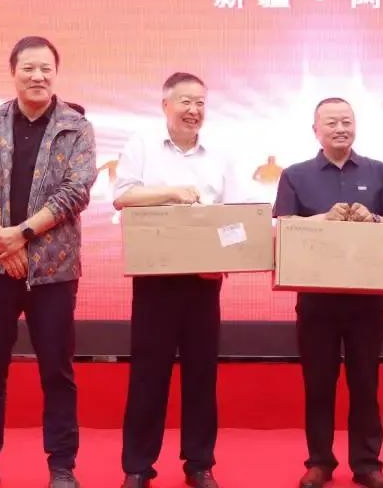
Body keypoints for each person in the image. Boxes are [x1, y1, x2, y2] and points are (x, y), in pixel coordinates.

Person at [0, 36, 98, 488]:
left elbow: (76, 192)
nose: (38, 76)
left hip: (53, 271)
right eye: (29, 68)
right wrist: (0, 237)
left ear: (56, 73)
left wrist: (23, 236)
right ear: (13, 72)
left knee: (57, 372)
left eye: (46, 69)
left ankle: (62, 468)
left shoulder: (76, 127)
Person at [113, 72, 249, 488]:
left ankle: (199, 464)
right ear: (166, 105)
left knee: (201, 374)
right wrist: (172, 193)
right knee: (148, 374)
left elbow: (237, 217)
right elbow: (123, 196)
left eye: (200, 103)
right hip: (154, 278)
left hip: (204, 280)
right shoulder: (142, 145)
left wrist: (226, 260)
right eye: (185, 101)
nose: (194, 110)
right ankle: (138, 466)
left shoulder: (220, 154)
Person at [273, 98, 383, 488]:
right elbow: (284, 227)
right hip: (316, 298)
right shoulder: (295, 175)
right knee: (318, 382)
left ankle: (367, 464)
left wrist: (373, 219)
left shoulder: (379, 172)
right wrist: (322, 220)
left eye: (347, 121)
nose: (340, 128)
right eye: (331, 123)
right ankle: (319, 461)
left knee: (365, 382)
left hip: (366, 297)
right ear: (316, 130)